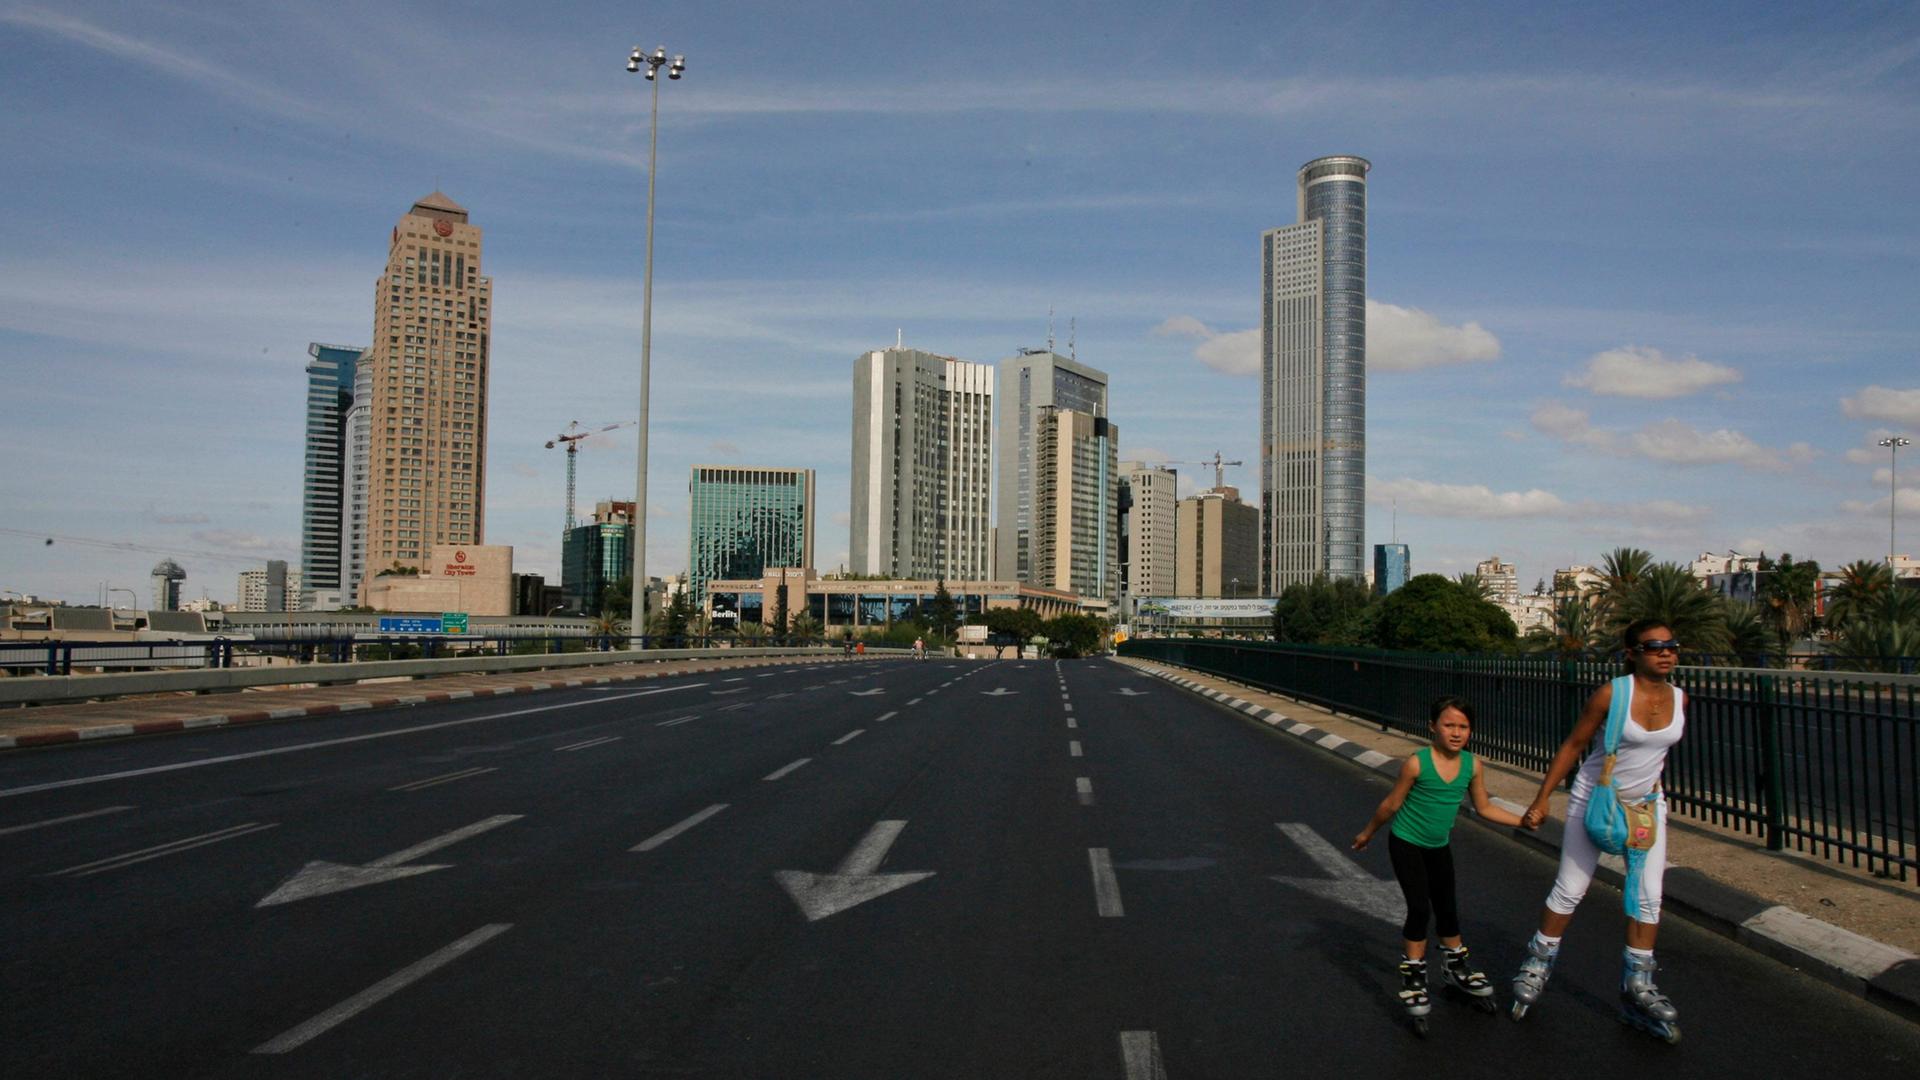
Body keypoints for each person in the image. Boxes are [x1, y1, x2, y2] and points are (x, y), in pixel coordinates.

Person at [1509, 619, 1686, 1042]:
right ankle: (1538, 962)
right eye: (1653, 646)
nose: (1665, 653)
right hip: (1595, 799)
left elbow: (1655, 755)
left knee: (1648, 895)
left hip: (1645, 807)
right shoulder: (1613, 693)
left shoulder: (1681, 698)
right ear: (1631, 653)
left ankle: (1638, 982)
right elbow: (1574, 745)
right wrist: (1542, 797)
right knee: (1571, 887)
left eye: (1671, 646)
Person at [1353, 696, 1526, 1034]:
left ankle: (1455, 968)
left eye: (1463, 727)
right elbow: (1391, 803)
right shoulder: (1417, 764)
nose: (1456, 732)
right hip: (1406, 843)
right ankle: (1415, 976)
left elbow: (1485, 808)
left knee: (1448, 909)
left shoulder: (1472, 765)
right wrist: (1368, 833)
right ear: (1433, 727)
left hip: (1438, 847)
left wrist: (1522, 822)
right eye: (1449, 725)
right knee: (1419, 908)